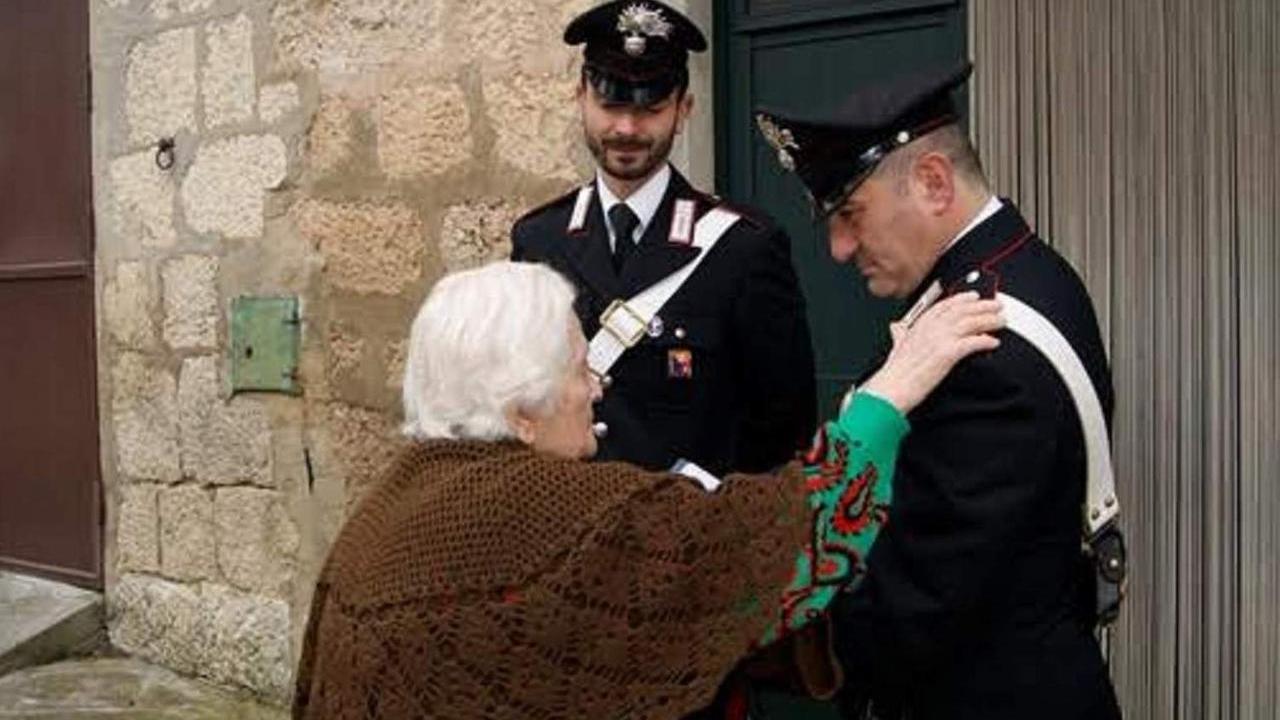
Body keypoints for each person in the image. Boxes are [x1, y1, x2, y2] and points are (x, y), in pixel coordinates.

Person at [292, 261, 1003, 720]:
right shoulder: (565, 512)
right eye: (577, 370)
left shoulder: (384, 507)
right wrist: (889, 395)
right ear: (521, 415)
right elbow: (785, 543)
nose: (597, 386)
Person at [756, 61, 1122, 719]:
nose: (838, 248)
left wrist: (765, 631)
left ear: (931, 181)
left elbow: (921, 599)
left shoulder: (986, 341)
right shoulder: (1010, 277)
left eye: (851, 213)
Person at [511, 0, 816, 477]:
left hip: (689, 538)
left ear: (684, 109)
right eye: (611, 104)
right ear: (580, 98)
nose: (627, 129)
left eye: (650, 108)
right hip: (571, 528)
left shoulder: (743, 248)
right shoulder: (539, 240)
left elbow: (782, 429)